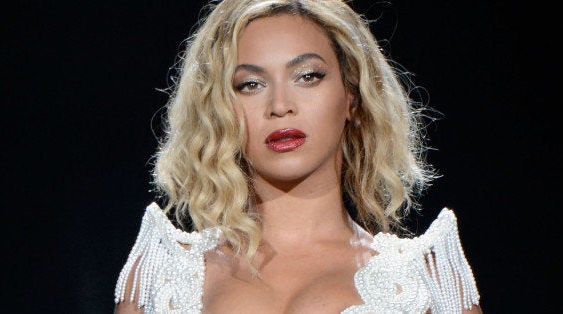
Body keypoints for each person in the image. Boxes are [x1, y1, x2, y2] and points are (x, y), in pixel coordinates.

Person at [114, 0, 481, 313]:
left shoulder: (427, 281)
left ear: (351, 95)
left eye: (307, 76)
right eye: (250, 85)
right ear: (219, 109)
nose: (280, 106)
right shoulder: (162, 274)